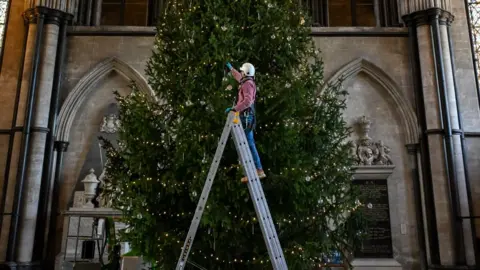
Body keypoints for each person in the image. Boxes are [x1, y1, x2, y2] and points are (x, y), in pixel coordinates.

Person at [225, 62, 266, 183]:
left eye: (242, 71)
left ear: (246, 73)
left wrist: (235, 109)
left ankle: (257, 170)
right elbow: (239, 77)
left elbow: (247, 101)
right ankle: (257, 170)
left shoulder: (248, 84)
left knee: (247, 144)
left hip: (245, 117)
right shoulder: (247, 81)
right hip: (245, 116)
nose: (241, 73)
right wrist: (231, 69)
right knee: (248, 143)